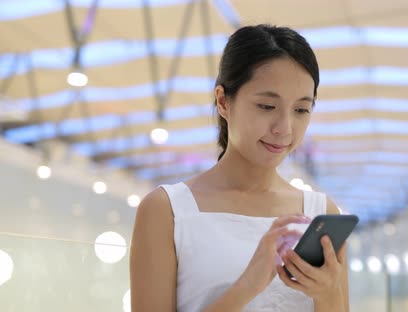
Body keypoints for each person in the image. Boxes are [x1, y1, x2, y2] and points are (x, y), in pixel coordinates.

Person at [130, 24, 350, 312]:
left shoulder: (321, 213)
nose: (284, 129)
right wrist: (248, 285)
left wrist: (328, 296)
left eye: (301, 110)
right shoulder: (166, 211)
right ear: (223, 101)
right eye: (267, 106)